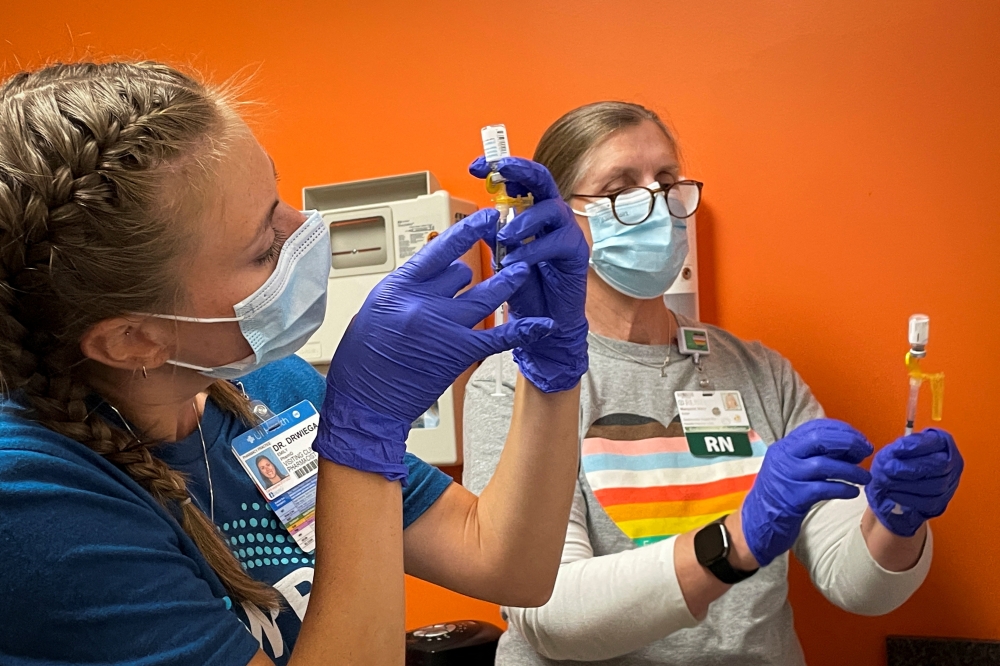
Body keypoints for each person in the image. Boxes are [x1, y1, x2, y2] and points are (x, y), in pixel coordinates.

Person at [0, 62, 590, 665]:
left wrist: (551, 364)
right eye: (263, 249)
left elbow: (506, 562)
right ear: (132, 340)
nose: (307, 229)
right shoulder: (32, 499)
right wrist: (364, 435)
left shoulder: (265, 386)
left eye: (279, 197)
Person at [463, 101, 964, 665]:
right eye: (621, 186)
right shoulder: (515, 382)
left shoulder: (759, 372)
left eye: (668, 180)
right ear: (560, 217)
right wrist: (736, 541)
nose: (658, 204)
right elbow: (551, 615)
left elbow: (857, 585)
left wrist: (896, 522)